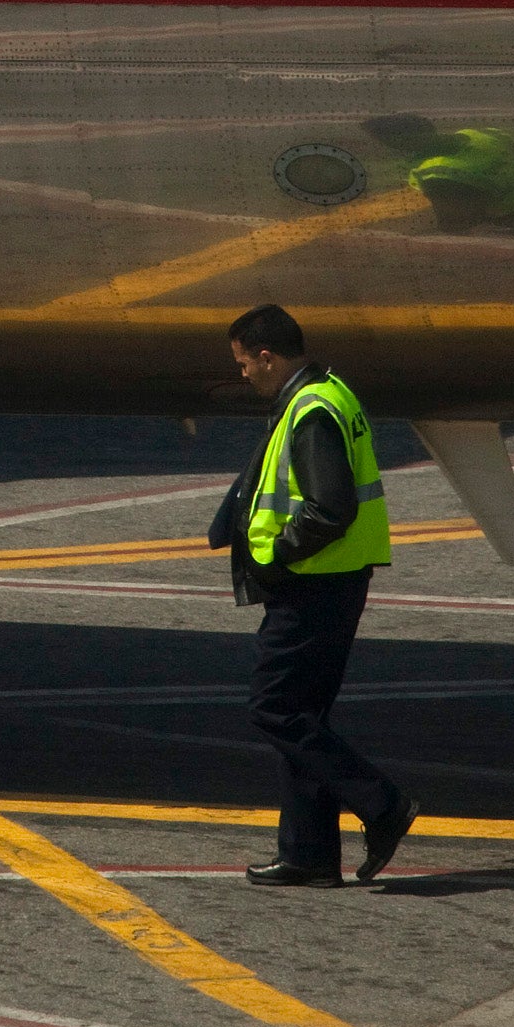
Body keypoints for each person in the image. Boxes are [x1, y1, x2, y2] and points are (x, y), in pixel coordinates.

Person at [205, 304, 417, 886]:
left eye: (245, 363)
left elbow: (331, 506)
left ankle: (382, 804)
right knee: (304, 716)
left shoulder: (311, 411)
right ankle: (309, 854)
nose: (243, 374)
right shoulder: (326, 392)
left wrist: (276, 555)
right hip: (332, 580)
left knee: (273, 708)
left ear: (268, 357)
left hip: (314, 586)